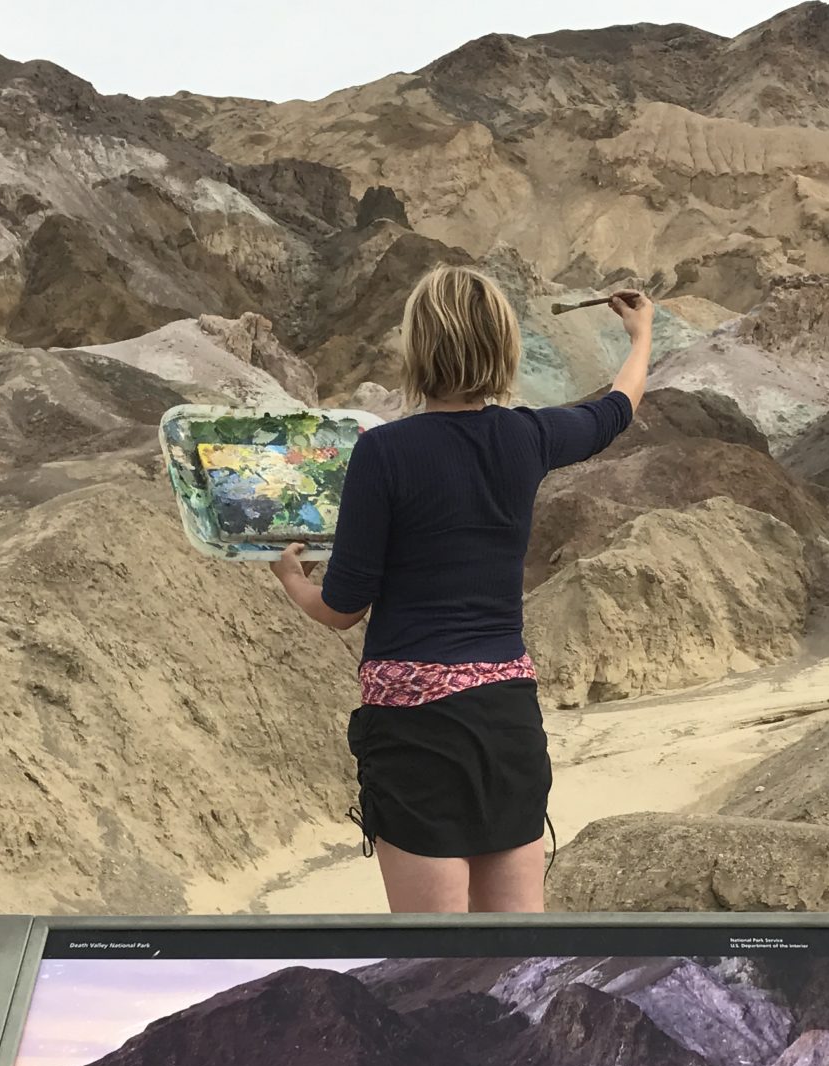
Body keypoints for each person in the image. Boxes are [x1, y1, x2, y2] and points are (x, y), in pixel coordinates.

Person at [270, 267, 656, 913]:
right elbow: (615, 410)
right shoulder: (526, 436)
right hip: (507, 723)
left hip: (415, 735)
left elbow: (341, 610)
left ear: (417, 349)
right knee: (512, 955)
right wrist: (641, 335)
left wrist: (289, 580)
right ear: (503, 347)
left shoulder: (382, 453)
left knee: (433, 962)